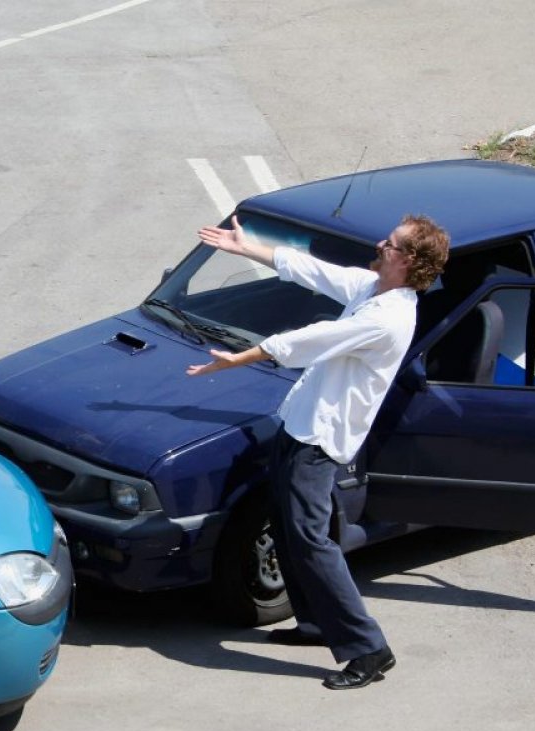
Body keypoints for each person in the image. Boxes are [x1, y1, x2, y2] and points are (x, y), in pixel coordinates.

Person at [187, 213, 449, 690]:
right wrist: (247, 248)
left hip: (320, 441)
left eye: (389, 243)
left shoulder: (387, 317)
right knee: (291, 530)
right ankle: (313, 624)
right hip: (301, 425)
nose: (379, 242)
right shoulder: (374, 288)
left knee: (311, 540)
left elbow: (312, 339)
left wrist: (242, 357)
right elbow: (312, 270)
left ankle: (369, 649)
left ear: (407, 260)